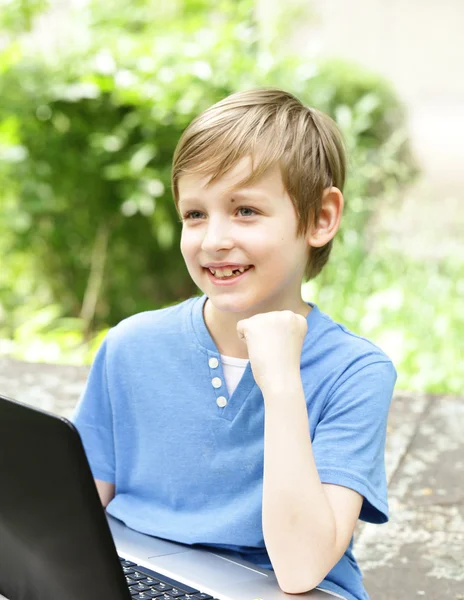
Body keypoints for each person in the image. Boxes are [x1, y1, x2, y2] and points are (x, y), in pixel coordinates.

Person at [72, 88, 397, 600]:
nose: (213, 239)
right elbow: (72, 521)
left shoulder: (354, 372)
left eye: (245, 210)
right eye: (195, 214)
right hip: (133, 574)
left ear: (320, 218)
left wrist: (281, 381)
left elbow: (300, 568)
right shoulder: (130, 347)